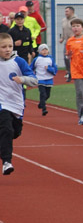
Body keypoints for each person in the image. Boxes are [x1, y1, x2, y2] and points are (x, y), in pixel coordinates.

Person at [0, 32, 39, 175]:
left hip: (16, 103)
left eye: (10, 46)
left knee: (15, 133)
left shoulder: (19, 62)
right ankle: (7, 162)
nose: (7, 49)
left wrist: (22, 79)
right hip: (2, 103)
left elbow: (34, 80)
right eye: (4, 47)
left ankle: (4, 146)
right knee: (6, 129)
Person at [32, 44, 57, 116]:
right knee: (43, 94)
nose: (45, 51)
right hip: (40, 79)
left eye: (46, 49)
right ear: (40, 51)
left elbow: (55, 69)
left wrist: (49, 69)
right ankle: (44, 109)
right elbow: (31, 68)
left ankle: (41, 103)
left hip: (49, 79)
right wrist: (32, 76)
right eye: (43, 50)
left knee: (47, 95)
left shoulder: (50, 59)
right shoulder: (37, 59)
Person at [59, 5, 76, 80]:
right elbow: (63, 30)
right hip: (67, 42)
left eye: (67, 11)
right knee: (66, 57)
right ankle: (69, 72)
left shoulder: (76, 20)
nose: (65, 13)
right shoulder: (64, 20)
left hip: (74, 42)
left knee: (74, 58)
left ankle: (75, 72)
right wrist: (62, 38)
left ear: (72, 12)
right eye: (65, 11)